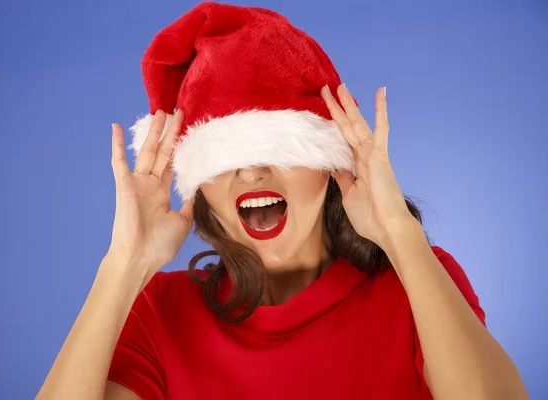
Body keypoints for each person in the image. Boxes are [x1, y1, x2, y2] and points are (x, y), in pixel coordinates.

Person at [36, 2, 529, 399]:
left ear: (329, 164)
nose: (251, 171)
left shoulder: (419, 282)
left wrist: (400, 237)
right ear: (200, 183)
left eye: (277, 149)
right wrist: (124, 265)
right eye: (224, 157)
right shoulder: (160, 312)